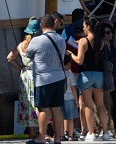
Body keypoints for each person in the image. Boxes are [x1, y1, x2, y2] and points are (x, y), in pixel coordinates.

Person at [26, 14, 67, 144]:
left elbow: (28, 53)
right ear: (54, 24)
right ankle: (57, 138)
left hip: (43, 79)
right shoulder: (61, 39)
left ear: (41, 26)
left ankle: (41, 137)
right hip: (59, 77)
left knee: (43, 108)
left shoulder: (37, 40)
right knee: (56, 108)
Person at [71, 17, 112, 141]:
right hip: (99, 75)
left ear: (88, 26)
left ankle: (91, 133)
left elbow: (79, 60)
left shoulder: (84, 40)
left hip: (86, 75)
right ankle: (105, 132)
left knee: (88, 105)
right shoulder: (102, 41)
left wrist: (71, 53)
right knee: (101, 105)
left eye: (84, 25)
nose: (83, 28)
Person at [7, 19, 39, 140]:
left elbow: (9, 58)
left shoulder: (21, 45)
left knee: (27, 103)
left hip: (25, 75)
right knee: (39, 102)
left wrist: (21, 68)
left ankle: (31, 131)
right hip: (37, 75)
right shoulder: (38, 43)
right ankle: (42, 130)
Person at [62, 54, 80, 140]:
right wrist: (77, 100)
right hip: (70, 98)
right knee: (70, 118)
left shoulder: (59, 74)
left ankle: (61, 135)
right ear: (69, 63)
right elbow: (73, 88)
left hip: (60, 98)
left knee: (61, 118)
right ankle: (70, 135)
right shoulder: (70, 75)